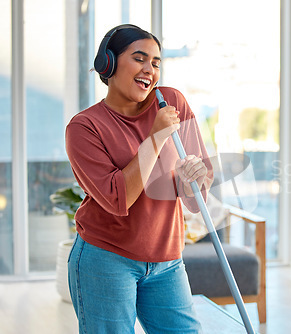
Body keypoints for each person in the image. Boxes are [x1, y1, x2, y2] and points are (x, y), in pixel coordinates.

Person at [66, 24, 213, 333]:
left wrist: (192, 180)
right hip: (106, 258)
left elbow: (196, 194)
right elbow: (118, 199)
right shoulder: (84, 127)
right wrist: (156, 137)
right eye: (139, 58)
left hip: (167, 259)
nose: (150, 69)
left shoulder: (171, 103)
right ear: (108, 63)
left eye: (156, 62)